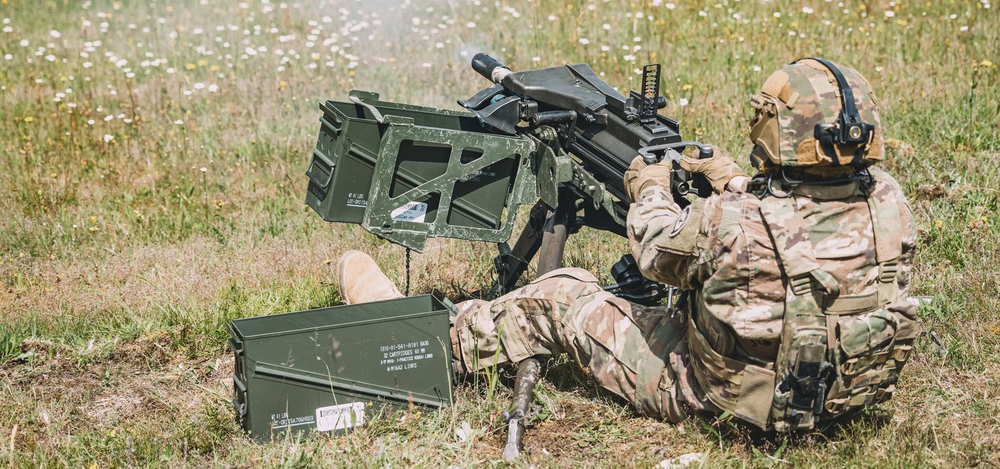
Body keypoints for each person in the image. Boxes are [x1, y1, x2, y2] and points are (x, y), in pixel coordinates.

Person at [336, 58, 918, 431]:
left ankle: (432, 343)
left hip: (723, 398)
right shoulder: (889, 204)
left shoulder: (727, 224)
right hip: (844, 396)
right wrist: (737, 182)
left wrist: (649, 189)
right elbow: (797, 231)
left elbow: (655, 252)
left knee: (560, 294)